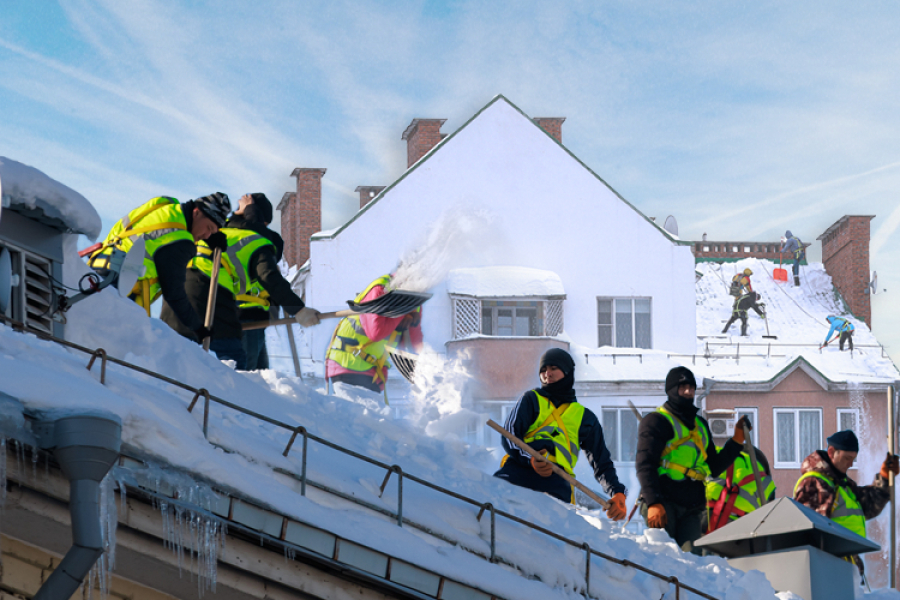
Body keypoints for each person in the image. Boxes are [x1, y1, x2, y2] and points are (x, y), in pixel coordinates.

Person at [160, 193, 320, 369]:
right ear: (264, 222)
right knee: (236, 367)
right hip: (216, 302)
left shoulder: (216, 231)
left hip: (174, 301)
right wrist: (299, 309)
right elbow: (268, 276)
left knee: (178, 360)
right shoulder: (255, 240)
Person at [493, 348, 628, 519]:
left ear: (567, 371)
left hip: (558, 482)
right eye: (543, 370)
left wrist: (617, 492)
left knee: (556, 536)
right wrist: (531, 459)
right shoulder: (532, 399)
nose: (547, 374)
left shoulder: (585, 418)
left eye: (553, 368)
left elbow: (602, 462)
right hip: (518, 471)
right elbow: (509, 435)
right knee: (487, 500)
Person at [88, 193, 230, 342]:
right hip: (121, 283)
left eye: (212, 232)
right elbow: (174, 293)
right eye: (208, 228)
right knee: (104, 342)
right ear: (196, 212)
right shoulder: (181, 241)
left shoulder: (164, 205)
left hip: (97, 266)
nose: (207, 235)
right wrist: (198, 328)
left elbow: (159, 229)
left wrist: (208, 232)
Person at [635, 366, 748, 554]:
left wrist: (736, 441)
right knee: (664, 558)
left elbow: (714, 466)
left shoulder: (701, 425)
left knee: (692, 562)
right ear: (671, 390)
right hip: (664, 501)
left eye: (691, 388)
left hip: (691, 507)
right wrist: (653, 502)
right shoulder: (657, 421)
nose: (688, 392)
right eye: (682, 387)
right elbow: (644, 465)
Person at [793, 430, 898, 577]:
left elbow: (868, 506)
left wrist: (885, 477)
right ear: (831, 452)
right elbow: (807, 532)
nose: (850, 464)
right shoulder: (814, 482)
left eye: (853, 459)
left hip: (847, 563)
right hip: (831, 566)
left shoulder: (842, 485)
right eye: (847, 458)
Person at [325, 274, 423, 398]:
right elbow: (375, 333)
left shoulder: (414, 302)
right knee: (358, 414)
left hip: (373, 372)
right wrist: (402, 316)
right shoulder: (381, 289)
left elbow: (414, 344)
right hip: (347, 365)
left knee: (373, 416)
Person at [704, 444, 775, 533]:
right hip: (738, 528)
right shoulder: (765, 480)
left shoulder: (715, 457)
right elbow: (769, 517)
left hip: (704, 518)